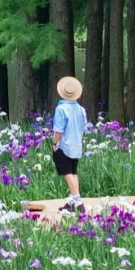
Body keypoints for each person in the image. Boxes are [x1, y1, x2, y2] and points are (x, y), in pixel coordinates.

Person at [51, 75, 88, 211]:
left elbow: (58, 130)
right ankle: (72, 201)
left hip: (64, 146)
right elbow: (84, 128)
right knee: (73, 172)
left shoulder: (61, 109)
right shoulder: (81, 109)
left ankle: (78, 203)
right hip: (77, 146)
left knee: (67, 173)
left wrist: (54, 144)